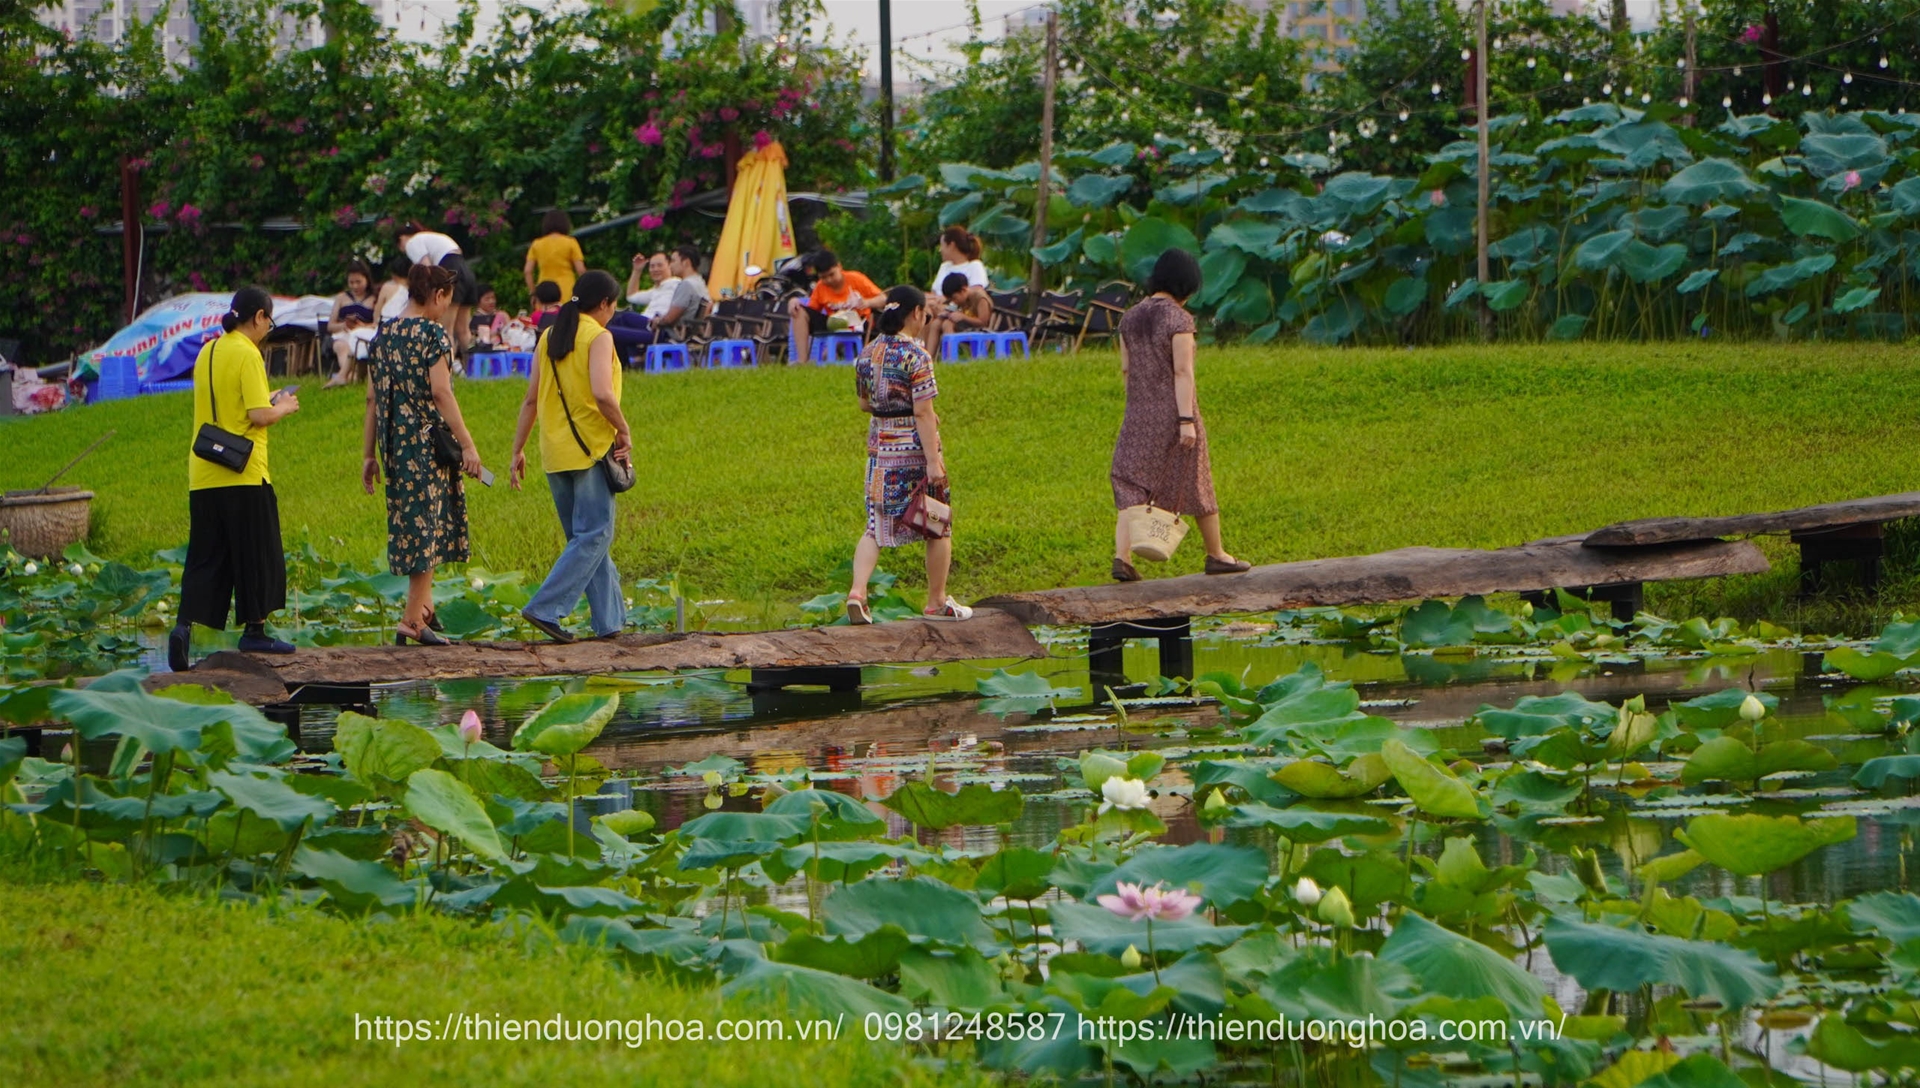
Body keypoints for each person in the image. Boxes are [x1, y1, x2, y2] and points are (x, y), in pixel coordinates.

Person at [167, 286, 302, 672]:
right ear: (258, 316)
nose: (268, 329)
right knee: (256, 552)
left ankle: (183, 627)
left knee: (205, 556)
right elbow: (259, 415)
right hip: (243, 470)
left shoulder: (209, 351)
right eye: (268, 321)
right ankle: (255, 630)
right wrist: (286, 406)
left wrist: (266, 397)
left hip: (205, 473)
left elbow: (229, 402)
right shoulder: (248, 353)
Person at [361, 263, 485, 645]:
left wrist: (369, 456)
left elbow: (371, 399)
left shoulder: (383, 335)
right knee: (427, 529)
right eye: (446, 300)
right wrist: (467, 443)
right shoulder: (432, 334)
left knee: (416, 525)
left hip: (395, 445)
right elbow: (441, 392)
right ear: (438, 295)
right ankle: (412, 620)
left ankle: (425, 610)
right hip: (427, 444)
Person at [1110, 248, 1249, 582]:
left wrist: (1140, 405)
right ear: (1186, 284)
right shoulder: (1178, 319)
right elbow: (1183, 372)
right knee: (1197, 482)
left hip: (1138, 415)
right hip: (1175, 413)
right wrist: (1186, 421)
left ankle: (1123, 557)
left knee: (1131, 483)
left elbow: (1127, 370)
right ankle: (1216, 554)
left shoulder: (1130, 318)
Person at [509, 270, 632, 643]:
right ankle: (546, 608)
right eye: (614, 305)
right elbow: (602, 393)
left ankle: (610, 623)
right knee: (594, 535)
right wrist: (624, 430)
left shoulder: (549, 336)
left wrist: (517, 449)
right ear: (606, 304)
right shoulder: (599, 336)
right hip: (590, 450)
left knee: (585, 541)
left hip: (554, 453)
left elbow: (531, 399)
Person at [844, 284, 972, 625]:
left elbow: (863, 404)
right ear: (915, 313)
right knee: (937, 522)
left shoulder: (867, 353)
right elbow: (923, 413)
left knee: (874, 528)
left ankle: (857, 592)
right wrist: (933, 463)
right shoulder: (917, 355)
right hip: (914, 451)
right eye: (925, 315)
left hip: (879, 449)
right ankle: (936, 601)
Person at [606, 245, 710, 364]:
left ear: (685, 262)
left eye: (674, 261)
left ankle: (625, 365)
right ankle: (632, 360)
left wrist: (657, 321)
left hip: (666, 334)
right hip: (678, 331)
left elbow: (669, 319)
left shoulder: (686, 286)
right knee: (624, 317)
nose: (671, 265)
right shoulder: (699, 283)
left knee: (608, 330)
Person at [787, 249, 884, 364]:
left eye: (832, 275)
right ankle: (802, 360)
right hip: (833, 322)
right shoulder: (820, 287)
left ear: (839, 267)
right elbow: (812, 310)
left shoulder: (856, 279)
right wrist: (794, 301)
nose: (829, 280)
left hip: (859, 322)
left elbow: (883, 299)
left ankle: (833, 353)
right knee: (799, 311)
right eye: (823, 277)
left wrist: (867, 302)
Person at [397, 221, 480, 356]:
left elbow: (426, 267)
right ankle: (472, 371)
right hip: (466, 271)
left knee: (446, 329)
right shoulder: (432, 237)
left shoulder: (412, 243)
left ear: (401, 240)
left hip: (449, 270)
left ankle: (447, 372)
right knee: (463, 330)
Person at [324, 259, 377, 387]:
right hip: (341, 335)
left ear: (367, 280)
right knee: (343, 347)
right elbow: (330, 325)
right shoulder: (342, 298)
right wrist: (344, 325)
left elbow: (377, 323)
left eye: (358, 282)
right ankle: (348, 375)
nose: (355, 286)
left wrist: (362, 326)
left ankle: (349, 376)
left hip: (363, 334)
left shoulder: (374, 298)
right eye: (351, 282)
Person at [925, 272, 993, 359]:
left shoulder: (980, 298)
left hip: (978, 328)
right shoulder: (962, 298)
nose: (954, 302)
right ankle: (929, 358)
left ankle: (950, 358)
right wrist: (948, 313)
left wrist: (963, 317)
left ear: (963, 290)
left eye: (954, 298)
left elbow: (983, 322)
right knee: (936, 323)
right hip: (964, 325)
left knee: (947, 324)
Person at [524, 210, 586, 302]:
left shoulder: (537, 244)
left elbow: (527, 271)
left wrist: (533, 292)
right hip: (567, 289)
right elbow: (580, 270)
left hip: (544, 290)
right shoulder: (570, 242)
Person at [930, 226, 988, 296]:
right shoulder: (944, 266)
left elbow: (976, 294)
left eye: (942, 246)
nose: (940, 250)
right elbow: (934, 292)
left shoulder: (974, 266)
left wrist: (945, 300)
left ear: (952, 245)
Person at [624, 252, 677, 317]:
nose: (655, 269)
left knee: (625, 316)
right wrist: (637, 270)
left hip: (656, 323)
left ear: (670, 266)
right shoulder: (655, 291)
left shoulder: (677, 284)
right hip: (643, 321)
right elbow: (631, 297)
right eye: (652, 266)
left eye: (660, 265)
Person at [468, 284, 507, 351]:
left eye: (493, 298)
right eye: (487, 299)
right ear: (478, 301)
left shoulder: (501, 316)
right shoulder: (473, 319)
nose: (491, 301)